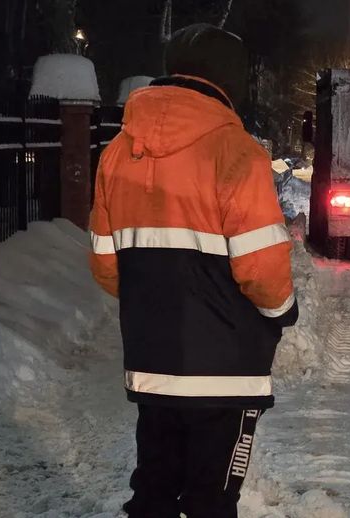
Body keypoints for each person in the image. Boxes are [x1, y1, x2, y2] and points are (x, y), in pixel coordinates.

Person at [88, 24, 297, 517]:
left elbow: (104, 263)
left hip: (152, 361)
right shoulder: (238, 153)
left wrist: (156, 303)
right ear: (229, 80)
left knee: (154, 488)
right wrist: (280, 312)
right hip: (227, 369)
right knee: (212, 498)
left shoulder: (118, 152)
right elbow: (262, 269)